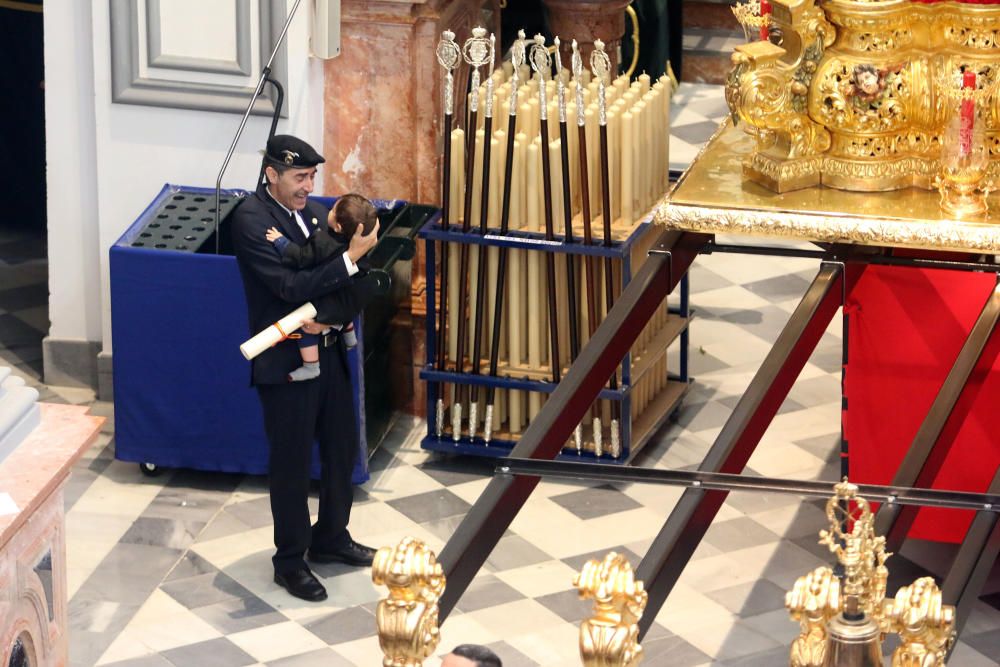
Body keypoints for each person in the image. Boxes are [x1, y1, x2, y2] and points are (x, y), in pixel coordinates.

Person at [231, 134, 380, 602]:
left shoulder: (318, 214)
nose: (308, 186)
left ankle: (332, 536)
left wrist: (332, 316)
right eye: (299, 177)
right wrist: (349, 260)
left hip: (329, 351)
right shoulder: (252, 221)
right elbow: (288, 286)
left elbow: (350, 288)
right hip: (285, 360)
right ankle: (291, 559)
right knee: (292, 461)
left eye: (312, 176)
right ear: (271, 174)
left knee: (340, 450)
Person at [264, 193, 379, 380]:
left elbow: (301, 257)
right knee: (344, 309)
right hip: (348, 298)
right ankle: (350, 337)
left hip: (326, 301)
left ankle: (311, 366)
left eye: (333, 209)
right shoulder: (360, 244)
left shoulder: (323, 242)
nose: (329, 210)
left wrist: (281, 241)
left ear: (339, 226)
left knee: (305, 326)